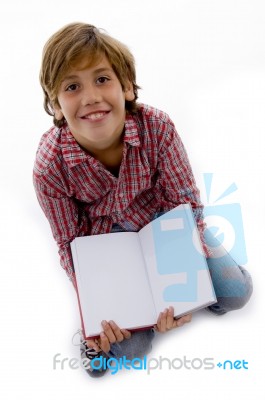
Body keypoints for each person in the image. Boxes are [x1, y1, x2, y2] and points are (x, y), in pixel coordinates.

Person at [33, 22, 253, 377]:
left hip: (166, 223)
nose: (90, 97)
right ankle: (95, 336)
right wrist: (96, 306)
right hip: (108, 244)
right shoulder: (49, 166)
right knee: (130, 349)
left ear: (127, 87)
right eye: (72, 86)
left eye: (102, 79)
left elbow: (186, 205)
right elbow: (69, 246)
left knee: (237, 293)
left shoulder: (158, 127)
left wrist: (184, 288)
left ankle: (195, 298)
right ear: (56, 106)